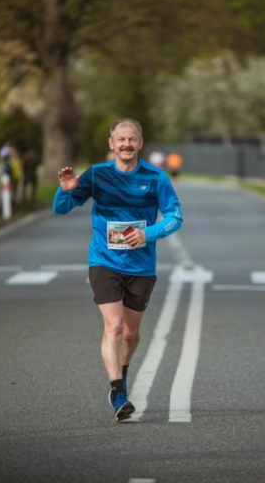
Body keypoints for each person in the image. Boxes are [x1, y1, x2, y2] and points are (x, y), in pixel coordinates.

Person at [53, 118, 183, 422]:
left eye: (132, 139)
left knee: (130, 333)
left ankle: (122, 374)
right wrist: (65, 190)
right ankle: (117, 392)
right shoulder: (97, 175)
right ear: (111, 144)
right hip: (104, 260)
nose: (126, 144)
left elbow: (175, 217)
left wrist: (148, 233)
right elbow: (61, 209)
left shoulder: (156, 177)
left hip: (141, 264)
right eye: (120, 139)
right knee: (112, 326)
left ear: (140, 143)